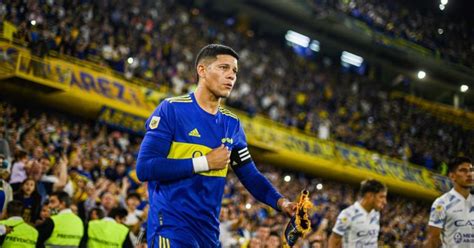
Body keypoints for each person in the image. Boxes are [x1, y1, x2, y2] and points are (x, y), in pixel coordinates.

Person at [136, 44, 296, 247]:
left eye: (235, 71)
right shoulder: (172, 109)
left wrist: (282, 203)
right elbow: (145, 168)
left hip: (209, 234)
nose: (231, 76)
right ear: (201, 70)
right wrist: (204, 162)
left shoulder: (232, 123)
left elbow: (250, 175)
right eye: (223, 68)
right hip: (171, 227)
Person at [425, 156, 473, 247]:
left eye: (471, 170)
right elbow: (433, 240)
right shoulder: (441, 203)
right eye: (463, 170)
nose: (469, 174)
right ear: (452, 176)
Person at [328, 179, 387, 248]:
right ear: (369, 196)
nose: (384, 202)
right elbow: (334, 240)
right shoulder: (348, 214)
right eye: (381, 197)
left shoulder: (376, 214)